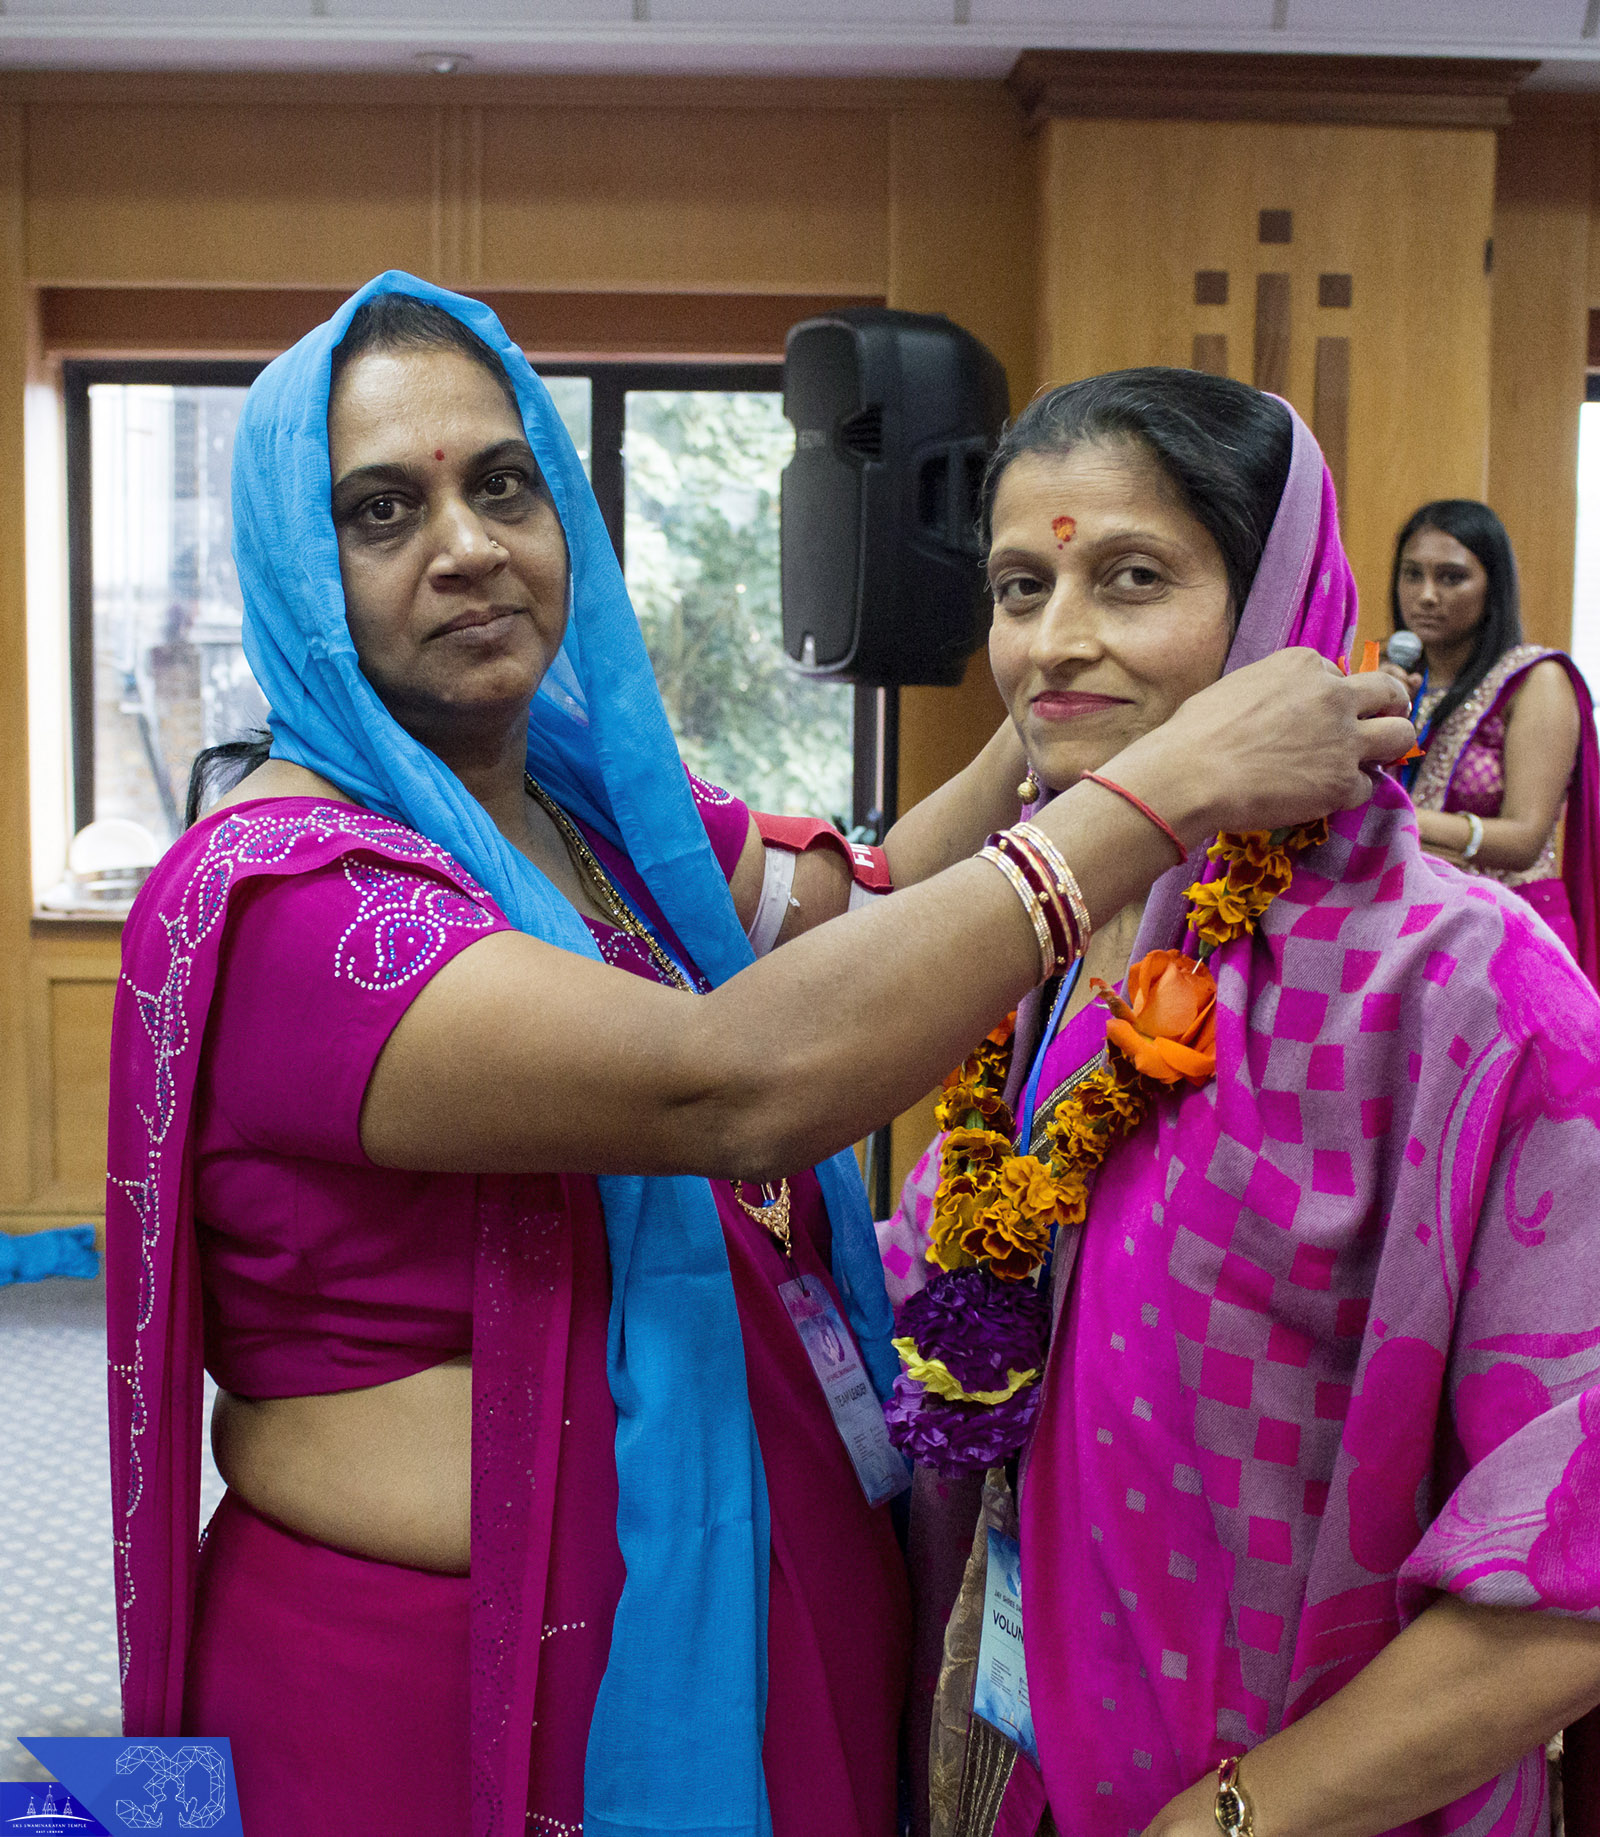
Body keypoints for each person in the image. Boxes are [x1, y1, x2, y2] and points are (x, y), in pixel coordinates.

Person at [103, 277, 1408, 1837]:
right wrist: (1165, 789)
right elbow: (730, 1081)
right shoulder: (286, 899)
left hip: (744, 1574)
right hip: (428, 1682)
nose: (464, 544)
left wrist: (1065, 688)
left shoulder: (597, 819)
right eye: (381, 509)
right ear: (298, 568)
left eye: (501, 482)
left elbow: (876, 905)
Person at [882, 370, 1600, 1837]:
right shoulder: (1024, 955)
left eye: (1131, 576)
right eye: (1023, 585)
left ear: (1276, 606)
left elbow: (1569, 1575)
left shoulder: (1465, 991)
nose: (1055, 642)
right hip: (999, 1768)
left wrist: (1224, 1826)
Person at [1388, 500, 1600, 987]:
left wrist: (1399, 821)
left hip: (1516, 934)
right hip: (1417, 925)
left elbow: (1524, 838)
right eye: (1411, 574)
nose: (1425, 596)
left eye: (1451, 577)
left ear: (1493, 587)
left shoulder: (1535, 679)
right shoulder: (1390, 678)